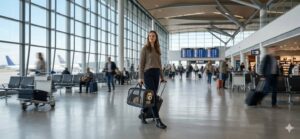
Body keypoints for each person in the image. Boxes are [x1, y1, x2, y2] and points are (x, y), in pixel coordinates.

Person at [138, 30, 167, 129]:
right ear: (148, 38)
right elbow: (141, 64)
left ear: (156, 38)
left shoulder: (158, 49)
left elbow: (159, 65)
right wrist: (140, 77)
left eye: (153, 36)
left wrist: (162, 77)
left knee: (150, 97)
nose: (151, 37)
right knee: (153, 95)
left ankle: (143, 112)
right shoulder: (145, 49)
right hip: (147, 74)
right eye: (150, 36)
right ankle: (157, 120)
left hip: (156, 74)